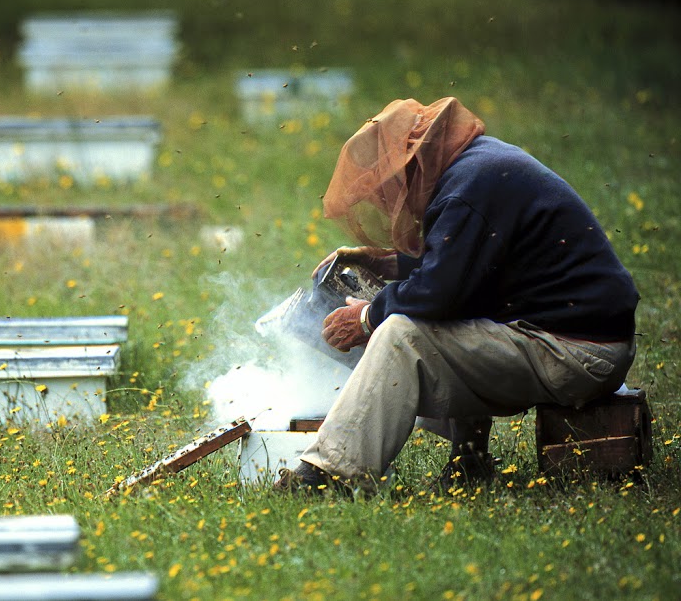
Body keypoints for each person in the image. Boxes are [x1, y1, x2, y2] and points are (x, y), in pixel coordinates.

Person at [274, 97, 639, 495]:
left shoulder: (467, 191)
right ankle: (470, 459)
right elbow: (468, 267)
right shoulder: (478, 166)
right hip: (580, 339)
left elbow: (439, 294)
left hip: (575, 353)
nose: (389, 198)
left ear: (413, 163)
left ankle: (330, 477)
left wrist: (366, 318)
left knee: (401, 334)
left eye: (390, 183)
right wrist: (386, 262)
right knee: (443, 326)